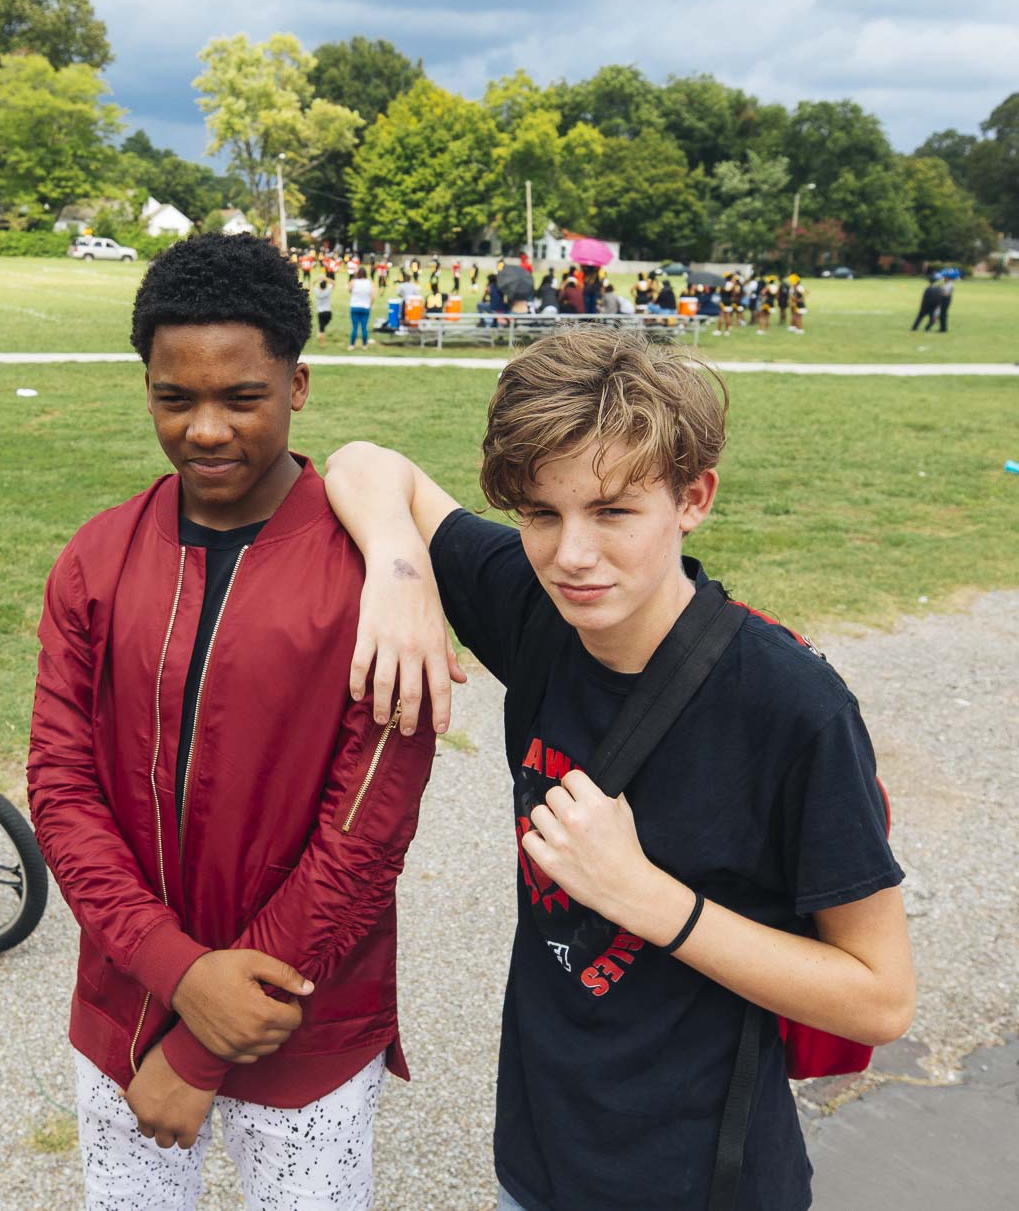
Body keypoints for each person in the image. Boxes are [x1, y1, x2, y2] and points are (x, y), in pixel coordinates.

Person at [322, 325, 914, 1211]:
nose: (572, 555)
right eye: (540, 513)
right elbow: (367, 464)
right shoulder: (539, 614)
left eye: (612, 511)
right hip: (540, 1156)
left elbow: (879, 998)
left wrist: (643, 895)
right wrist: (400, 575)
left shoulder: (793, 708)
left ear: (694, 498)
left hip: (701, 1179)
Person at [26, 231, 437, 1210]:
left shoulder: (375, 577)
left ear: (297, 386)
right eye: (176, 398)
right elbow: (59, 782)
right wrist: (175, 971)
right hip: (124, 1004)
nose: (206, 429)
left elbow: (364, 838)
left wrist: (214, 1033)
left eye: (240, 397)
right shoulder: (97, 557)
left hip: (309, 1027)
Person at [349, 265, 374, 349]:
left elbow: (349, 290)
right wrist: (370, 304)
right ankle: (364, 345)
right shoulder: (370, 282)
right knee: (364, 327)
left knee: (354, 327)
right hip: (365, 307)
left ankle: (352, 345)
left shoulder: (354, 282)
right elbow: (373, 296)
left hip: (355, 306)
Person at [314, 277, 333, 344]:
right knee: (324, 324)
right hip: (328, 311)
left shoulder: (317, 291)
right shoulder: (328, 290)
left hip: (320, 312)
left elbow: (313, 283)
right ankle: (321, 337)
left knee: (322, 328)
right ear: (326, 285)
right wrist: (326, 278)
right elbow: (333, 283)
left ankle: (322, 343)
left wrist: (319, 279)